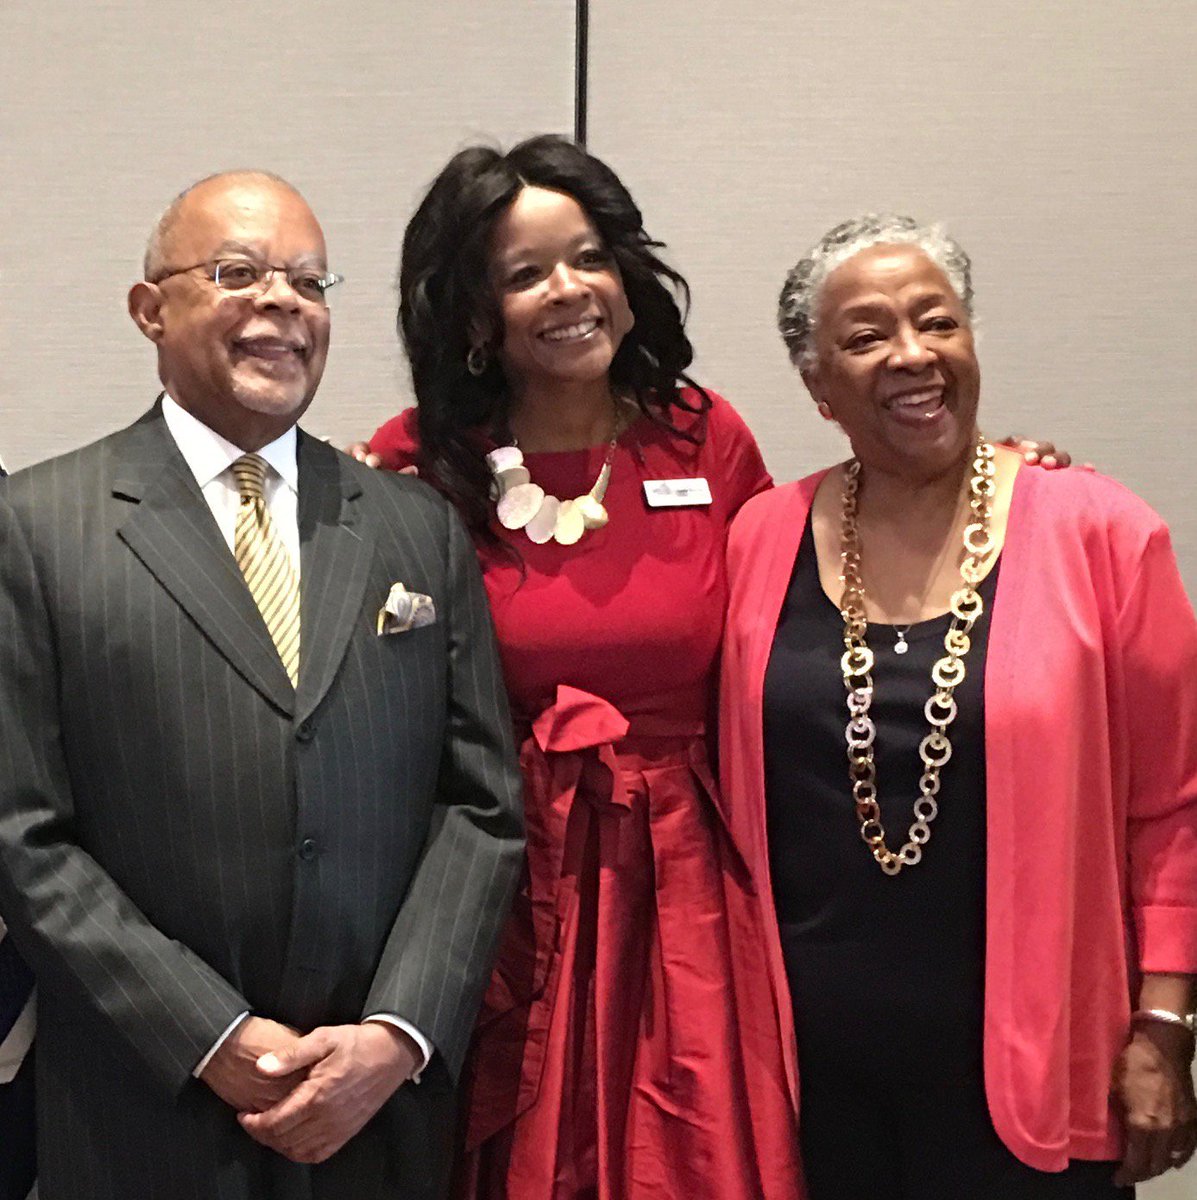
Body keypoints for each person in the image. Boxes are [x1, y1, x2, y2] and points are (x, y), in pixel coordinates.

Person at [0, 170, 524, 1200]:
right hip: (138, 1108)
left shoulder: (413, 525)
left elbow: (481, 804)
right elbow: (22, 829)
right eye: (239, 272)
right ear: (150, 309)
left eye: (308, 281)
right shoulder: (36, 525)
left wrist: (395, 1034)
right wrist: (212, 1036)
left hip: (377, 1114)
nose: (283, 302)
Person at [720, 214, 1197, 1198]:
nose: (912, 355)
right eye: (865, 337)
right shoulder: (758, 539)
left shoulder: (1100, 531)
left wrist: (1164, 1027)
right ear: (817, 387)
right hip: (805, 1087)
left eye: (937, 322)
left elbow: (1175, 806)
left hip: (1033, 1074)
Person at [363, 135, 804, 1198]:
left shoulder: (702, 436)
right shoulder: (414, 462)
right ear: (475, 317)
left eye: (590, 256)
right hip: (502, 870)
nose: (571, 291)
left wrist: (977, 478)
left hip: (690, 872)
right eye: (525, 274)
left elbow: (819, 579)